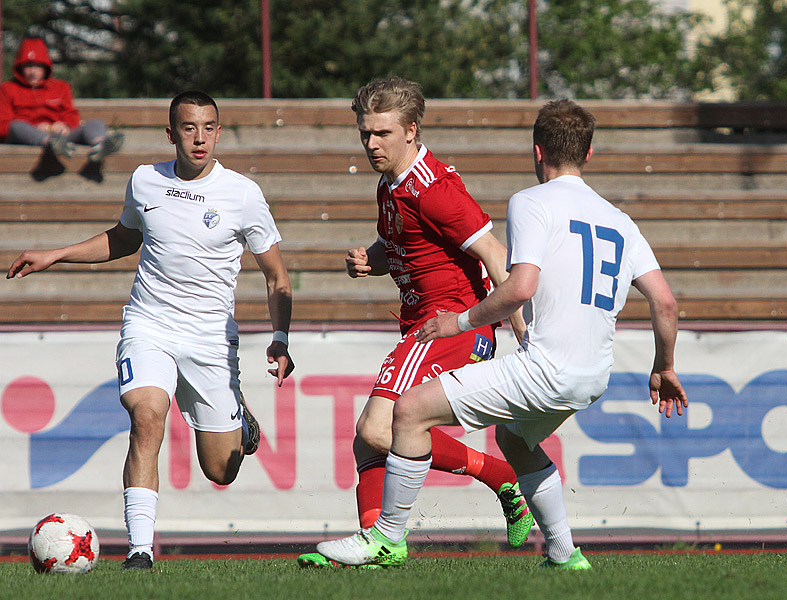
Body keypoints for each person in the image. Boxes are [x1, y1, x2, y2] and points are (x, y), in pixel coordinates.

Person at [316, 99, 689, 570]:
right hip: (594, 375)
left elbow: (518, 284)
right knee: (515, 441)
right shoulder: (620, 220)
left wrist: (463, 321)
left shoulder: (531, 202)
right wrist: (666, 367)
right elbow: (666, 303)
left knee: (404, 415)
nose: (371, 143)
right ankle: (563, 553)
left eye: (380, 133)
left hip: (537, 363)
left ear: (537, 152)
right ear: (589, 154)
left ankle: (386, 539)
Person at [6, 91, 294, 571]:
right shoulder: (145, 180)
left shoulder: (242, 194)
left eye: (208, 127)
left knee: (220, 470)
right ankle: (140, 550)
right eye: (188, 128)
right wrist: (56, 254)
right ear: (171, 134)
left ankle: (237, 421)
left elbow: (277, 277)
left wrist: (281, 338)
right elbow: (124, 238)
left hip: (209, 339)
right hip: (149, 323)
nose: (199, 137)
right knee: (146, 416)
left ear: (219, 133)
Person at [297, 76, 532, 568]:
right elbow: (403, 246)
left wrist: (525, 337)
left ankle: (498, 477)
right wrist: (372, 260)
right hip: (422, 324)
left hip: (450, 326)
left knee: (378, 427)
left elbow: (497, 257)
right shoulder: (391, 183)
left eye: (382, 133)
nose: (371, 144)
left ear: (411, 130)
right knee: (368, 438)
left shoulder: (435, 189)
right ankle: (374, 540)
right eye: (365, 133)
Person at [0, 37, 124, 176]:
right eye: (28, 66)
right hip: (28, 135)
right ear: (20, 67)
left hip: (62, 135)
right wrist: (36, 128)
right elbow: (3, 125)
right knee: (16, 126)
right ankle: (52, 143)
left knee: (95, 123)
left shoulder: (60, 87)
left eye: (37, 66)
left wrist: (65, 125)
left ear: (46, 67)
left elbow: (71, 114)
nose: (33, 72)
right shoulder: (7, 89)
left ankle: (101, 145)